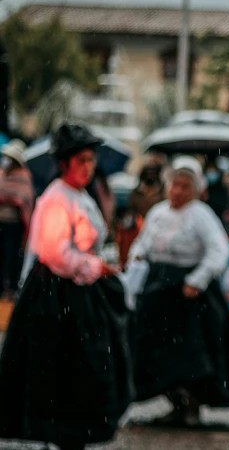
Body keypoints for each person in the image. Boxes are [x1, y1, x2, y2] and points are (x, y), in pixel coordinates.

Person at [0, 124, 131, 450]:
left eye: (91, 160)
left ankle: (75, 429)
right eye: (81, 160)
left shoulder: (80, 195)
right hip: (55, 295)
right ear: (64, 163)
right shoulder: (56, 198)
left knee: (84, 362)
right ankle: (60, 432)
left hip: (77, 291)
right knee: (62, 363)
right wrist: (93, 266)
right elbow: (54, 253)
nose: (88, 167)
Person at [129, 156, 229, 426]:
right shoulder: (157, 212)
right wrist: (135, 269)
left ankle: (191, 403)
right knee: (154, 350)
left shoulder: (201, 214)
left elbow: (219, 250)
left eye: (184, 186)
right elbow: (141, 245)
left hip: (189, 295)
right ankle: (175, 401)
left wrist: (197, 279)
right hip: (158, 290)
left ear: (194, 189)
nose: (177, 191)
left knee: (191, 353)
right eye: (174, 185)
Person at [0, 139, 34, 298]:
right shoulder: (2, 172)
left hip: (15, 223)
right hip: (1, 221)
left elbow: (24, 197)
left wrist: (13, 199)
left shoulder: (24, 175)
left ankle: (12, 286)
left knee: (13, 254)